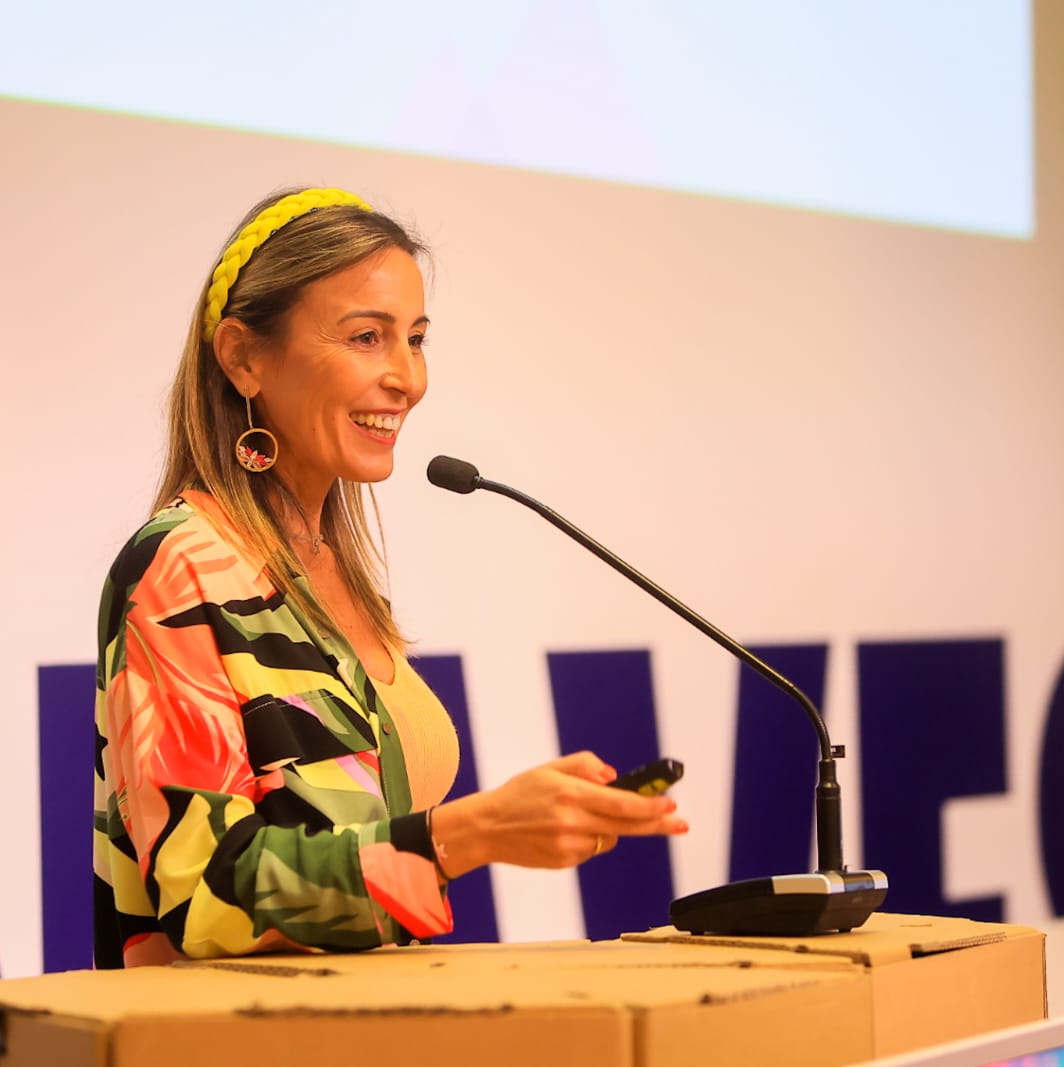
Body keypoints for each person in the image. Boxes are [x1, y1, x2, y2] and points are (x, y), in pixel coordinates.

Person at [93, 187, 688, 965]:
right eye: (367, 337)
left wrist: (507, 822)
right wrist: (474, 831)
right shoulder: (180, 565)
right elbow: (205, 896)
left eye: (416, 339)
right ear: (243, 357)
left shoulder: (334, 572)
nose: (407, 377)